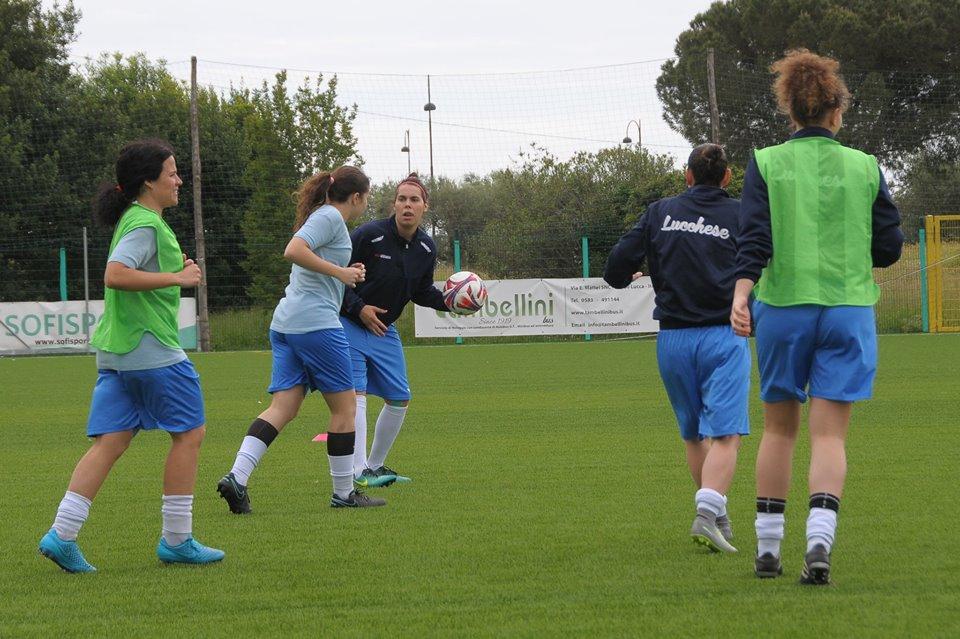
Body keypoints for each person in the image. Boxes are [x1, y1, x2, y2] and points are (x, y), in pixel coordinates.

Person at [731, 49, 903, 584]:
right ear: (836, 112)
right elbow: (890, 247)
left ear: (791, 113)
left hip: (783, 309)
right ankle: (820, 546)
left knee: (780, 431)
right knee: (830, 438)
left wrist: (741, 294)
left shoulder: (766, 162)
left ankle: (766, 550)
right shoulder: (866, 167)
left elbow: (754, 238)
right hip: (848, 310)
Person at [38, 139, 224, 572]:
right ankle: (177, 540)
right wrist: (178, 275)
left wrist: (174, 272)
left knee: (112, 442)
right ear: (148, 182)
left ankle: (61, 534)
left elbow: (133, 270)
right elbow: (116, 274)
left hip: (115, 352)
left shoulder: (138, 220)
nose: (179, 180)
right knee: (189, 434)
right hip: (151, 349)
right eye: (173, 173)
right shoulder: (145, 223)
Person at [604, 144, 749, 554]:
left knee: (692, 432)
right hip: (723, 336)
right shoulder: (741, 214)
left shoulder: (659, 212)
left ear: (686, 175)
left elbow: (616, 267)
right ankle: (706, 512)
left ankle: (717, 516)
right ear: (727, 177)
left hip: (672, 340)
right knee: (727, 433)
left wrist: (626, 274)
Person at [217, 166, 385, 513]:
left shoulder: (325, 219)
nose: (365, 204)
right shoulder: (331, 218)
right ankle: (343, 493)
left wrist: (345, 273)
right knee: (346, 409)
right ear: (356, 197)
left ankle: (237, 477)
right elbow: (293, 250)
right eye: (366, 198)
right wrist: (341, 272)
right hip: (316, 327)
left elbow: (310, 259)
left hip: (287, 325)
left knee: (283, 408)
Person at [340, 173, 451, 487]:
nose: (407, 205)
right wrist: (359, 308)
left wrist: (450, 303)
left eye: (414, 200)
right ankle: (358, 471)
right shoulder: (368, 235)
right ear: (394, 204)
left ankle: (374, 466)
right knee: (356, 395)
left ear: (424, 207)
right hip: (349, 323)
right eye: (402, 199)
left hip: (383, 330)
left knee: (400, 397)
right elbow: (337, 277)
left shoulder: (427, 247)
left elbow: (421, 291)